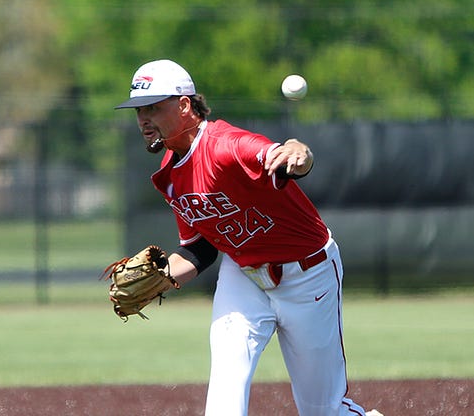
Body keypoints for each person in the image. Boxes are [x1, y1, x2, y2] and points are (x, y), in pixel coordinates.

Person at [116, 59, 379, 416]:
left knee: (323, 411)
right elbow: (199, 250)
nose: (143, 119)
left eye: (153, 107)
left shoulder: (226, 146)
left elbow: (284, 158)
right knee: (224, 396)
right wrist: (162, 277)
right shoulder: (168, 175)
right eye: (138, 110)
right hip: (243, 276)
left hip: (308, 274)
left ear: (183, 105)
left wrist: (299, 151)